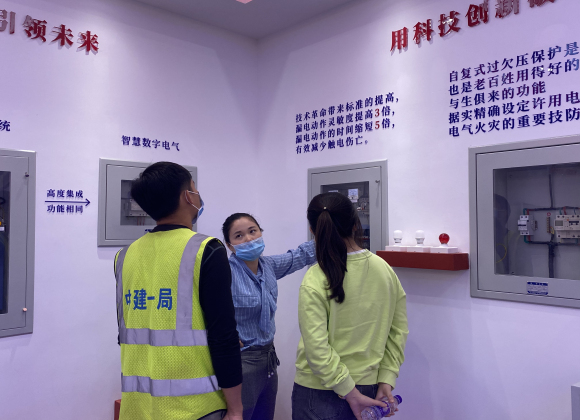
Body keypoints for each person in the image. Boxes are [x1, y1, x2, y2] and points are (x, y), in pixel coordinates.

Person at [115, 162, 243, 420]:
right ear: (188, 196)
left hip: (138, 407)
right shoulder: (207, 249)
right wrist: (235, 409)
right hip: (195, 408)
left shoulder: (124, 256)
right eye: (194, 188)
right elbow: (223, 337)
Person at [292, 192, 409, 420]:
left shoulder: (315, 277)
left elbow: (317, 350)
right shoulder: (384, 270)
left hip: (319, 392)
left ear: (313, 231)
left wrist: (349, 391)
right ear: (356, 224)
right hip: (368, 388)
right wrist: (387, 377)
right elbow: (398, 331)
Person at [221, 213, 317, 420]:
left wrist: (328, 232)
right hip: (240, 363)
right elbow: (201, 310)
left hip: (269, 359)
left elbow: (299, 256)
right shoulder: (224, 273)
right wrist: (224, 337)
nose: (248, 239)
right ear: (230, 245)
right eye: (239, 236)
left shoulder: (269, 266)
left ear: (261, 233)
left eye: (252, 231)